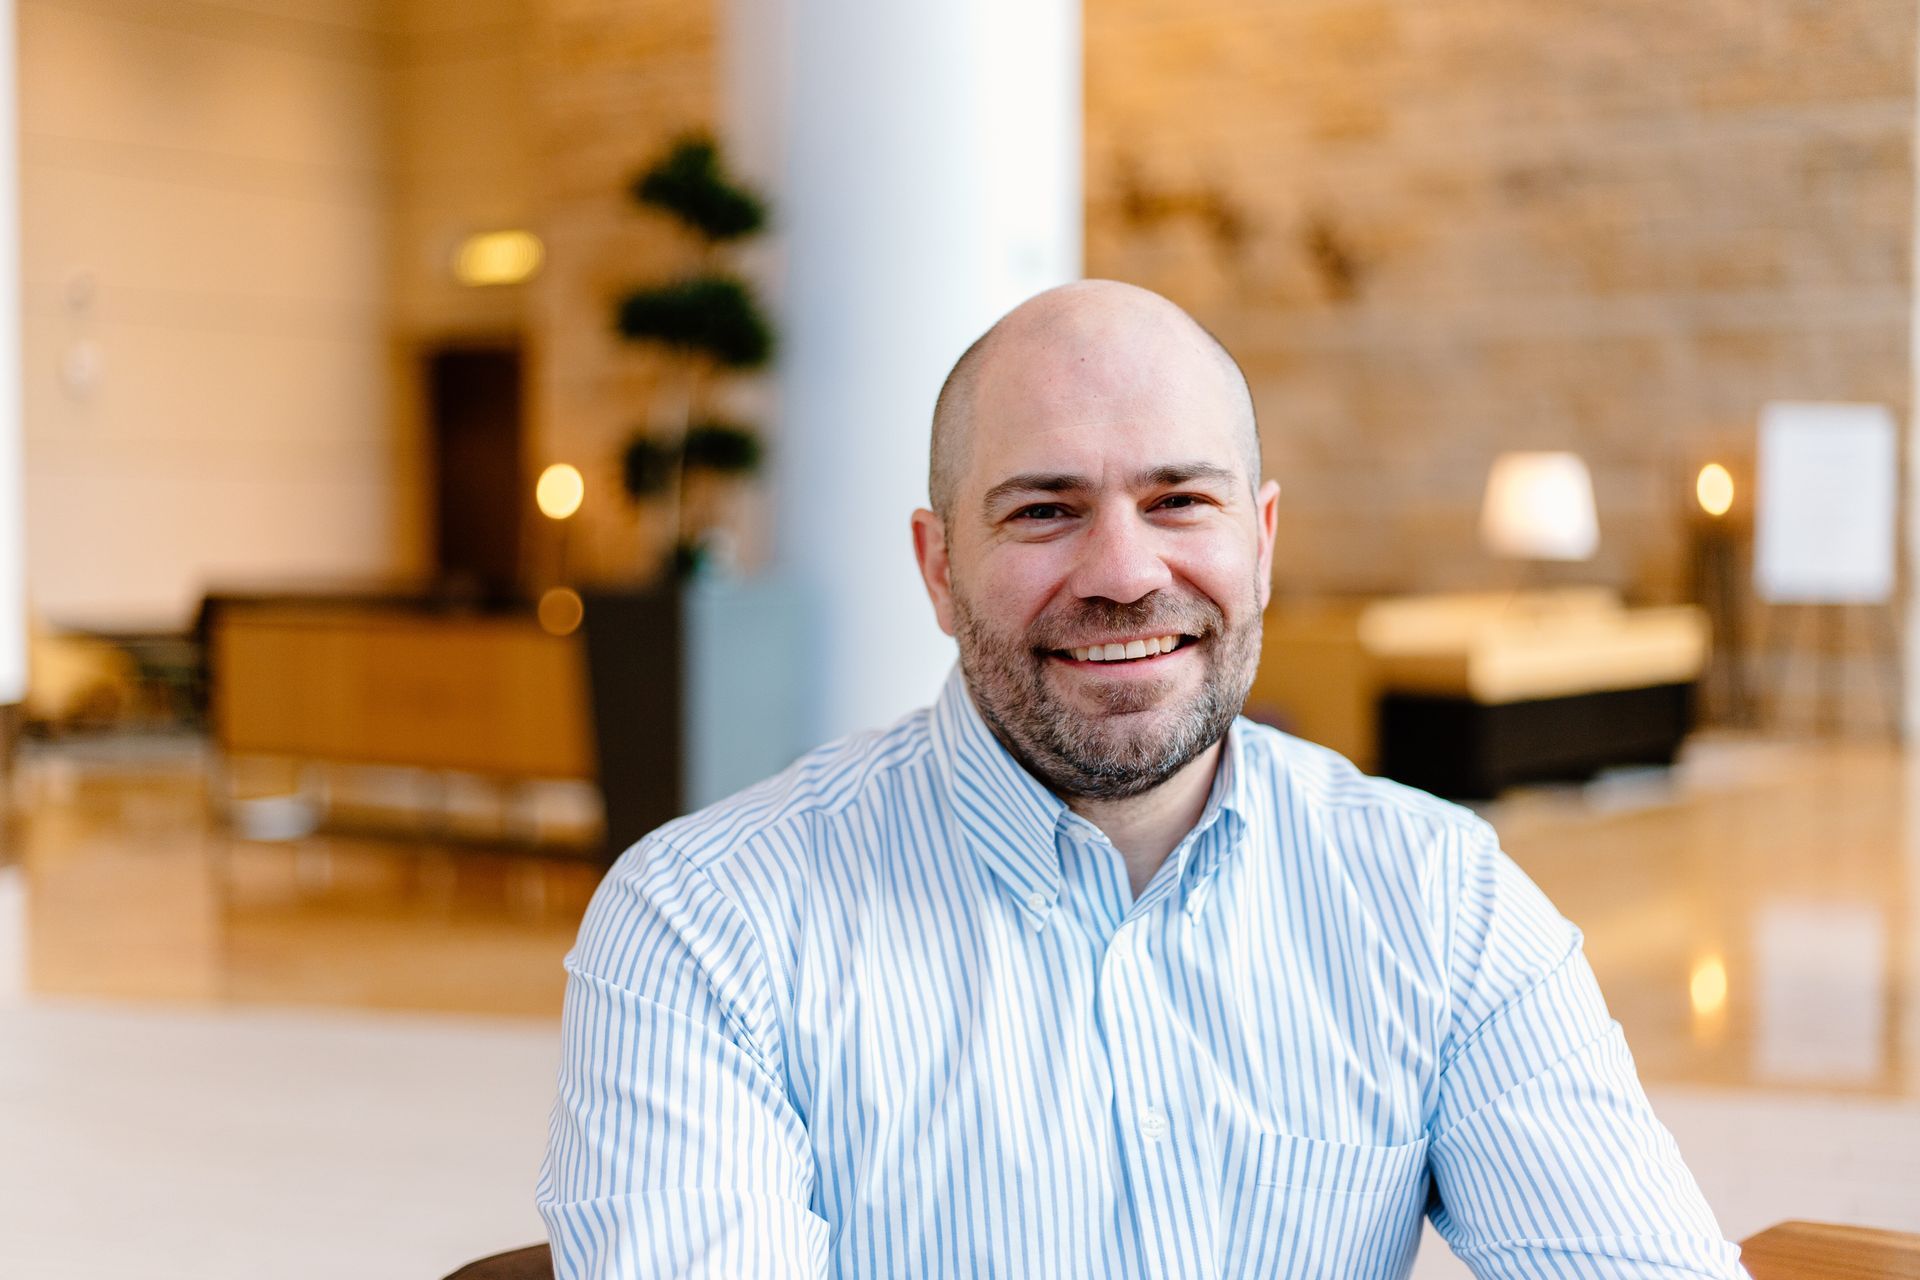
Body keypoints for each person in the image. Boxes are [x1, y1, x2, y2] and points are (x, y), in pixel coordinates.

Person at [537, 280, 1745, 1279]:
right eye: (1044, 510)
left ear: (1262, 542)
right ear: (939, 566)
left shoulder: (1442, 900)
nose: (1124, 570)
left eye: (1180, 499)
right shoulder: (703, 927)